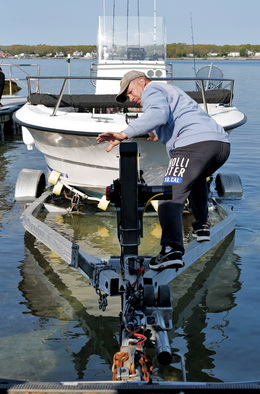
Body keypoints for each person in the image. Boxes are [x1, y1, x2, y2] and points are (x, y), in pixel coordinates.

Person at [97, 70, 231, 271]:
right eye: (126, 97)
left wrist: (124, 133)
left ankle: (171, 250)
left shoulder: (152, 90)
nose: (131, 98)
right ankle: (202, 226)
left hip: (194, 145)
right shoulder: (171, 91)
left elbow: (158, 114)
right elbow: (170, 118)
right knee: (196, 179)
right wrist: (156, 133)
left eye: (130, 92)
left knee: (169, 196)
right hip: (219, 145)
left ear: (142, 82)